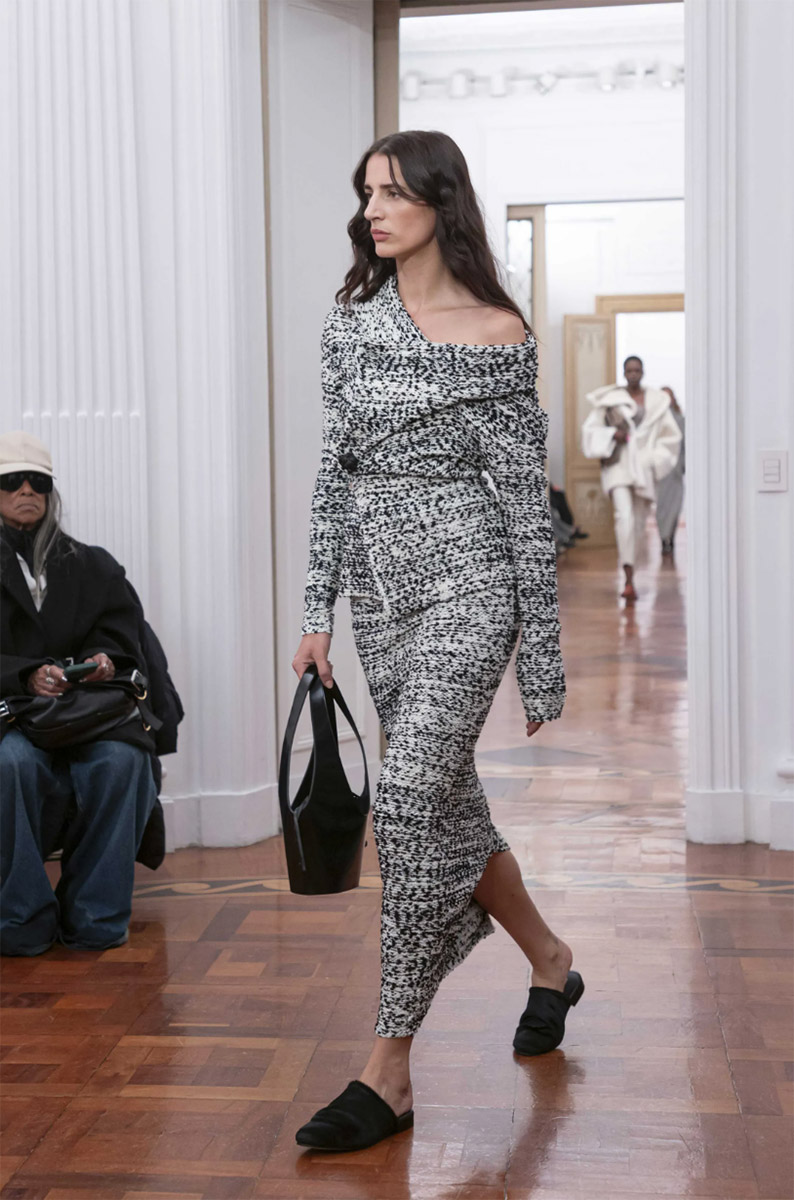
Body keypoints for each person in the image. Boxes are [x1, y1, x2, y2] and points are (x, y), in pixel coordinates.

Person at [290, 130, 581, 1153]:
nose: (373, 210)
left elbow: (523, 504)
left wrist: (540, 657)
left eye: (394, 193)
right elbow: (334, 472)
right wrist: (317, 610)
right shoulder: (350, 324)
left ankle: (389, 1068)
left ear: (440, 203)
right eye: (366, 192)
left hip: (471, 584)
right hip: (380, 599)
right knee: (447, 803)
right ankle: (549, 960)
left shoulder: (498, 331)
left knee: (409, 799)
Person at [0, 431, 161, 955]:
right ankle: (20, 920)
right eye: (11, 481)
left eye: (38, 481)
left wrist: (103, 660)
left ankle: (97, 917)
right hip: (10, 714)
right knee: (12, 763)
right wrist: (26, 675)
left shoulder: (92, 564)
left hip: (86, 710)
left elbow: (122, 633)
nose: (26, 490)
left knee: (122, 759)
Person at [581, 357, 682, 602]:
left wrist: (653, 459)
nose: (633, 374)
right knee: (624, 516)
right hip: (618, 466)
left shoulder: (657, 401)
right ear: (624, 373)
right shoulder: (610, 400)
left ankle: (631, 572)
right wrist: (611, 434)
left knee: (637, 524)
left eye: (637, 370)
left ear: (643, 372)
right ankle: (627, 579)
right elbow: (590, 431)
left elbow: (670, 437)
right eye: (629, 370)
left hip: (643, 469)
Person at [655, 386, 685, 556]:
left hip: (676, 471)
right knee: (662, 507)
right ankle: (663, 537)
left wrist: (684, 465)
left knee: (675, 505)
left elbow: (685, 445)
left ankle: (670, 536)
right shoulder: (653, 421)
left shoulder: (681, 420)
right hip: (659, 470)